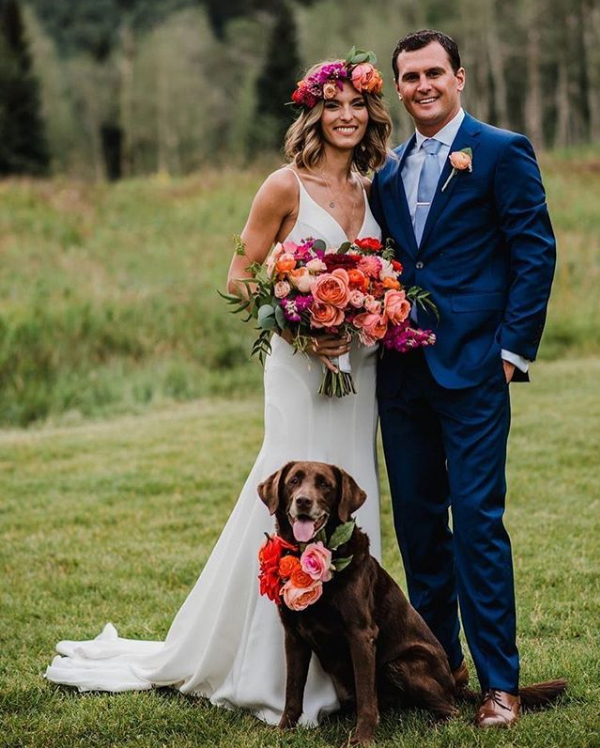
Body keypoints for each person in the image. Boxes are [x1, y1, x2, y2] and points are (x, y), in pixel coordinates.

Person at [45, 52, 393, 726]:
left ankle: (347, 665)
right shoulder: (282, 186)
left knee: (353, 496)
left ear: (371, 114)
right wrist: (303, 328)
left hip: (360, 370)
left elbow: (380, 275)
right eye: (334, 104)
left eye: (358, 105)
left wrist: (366, 310)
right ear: (313, 111)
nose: (346, 116)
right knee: (284, 492)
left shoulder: (371, 186)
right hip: (298, 369)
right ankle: (266, 663)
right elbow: (240, 277)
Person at [370, 29, 556, 727]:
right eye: (409, 76)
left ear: (460, 78)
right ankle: (440, 666)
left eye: (433, 73)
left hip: (476, 366)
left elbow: (534, 250)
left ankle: (500, 684)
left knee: (477, 523)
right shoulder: (386, 171)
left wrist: (513, 351)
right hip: (401, 370)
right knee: (420, 526)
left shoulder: (501, 152)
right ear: (399, 86)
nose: (421, 86)